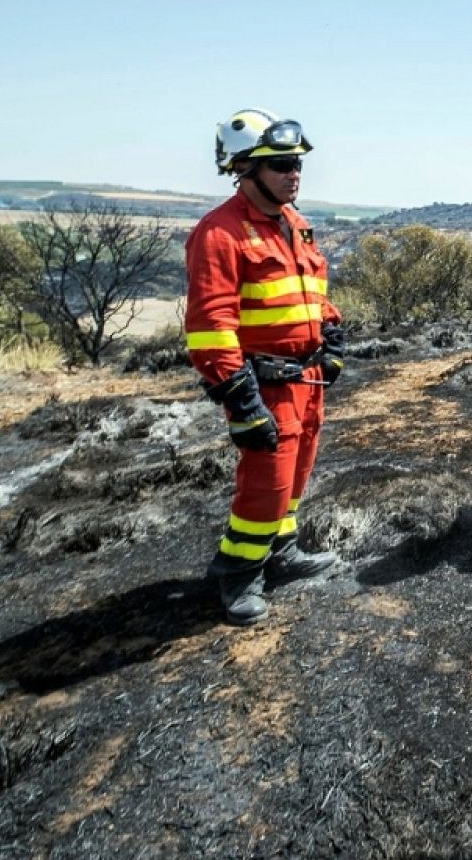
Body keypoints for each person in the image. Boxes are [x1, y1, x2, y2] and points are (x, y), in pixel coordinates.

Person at [184, 108, 346, 625]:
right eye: (280, 164)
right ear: (245, 169)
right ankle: (237, 576)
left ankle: (283, 552)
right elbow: (210, 327)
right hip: (265, 383)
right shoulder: (220, 233)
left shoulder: (295, 225)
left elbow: (313, 293)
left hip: (308, 377)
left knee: (296, 479)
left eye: (297, 162)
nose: (293, 172)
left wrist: (332, 332)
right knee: (266, 484)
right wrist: (239, 395)